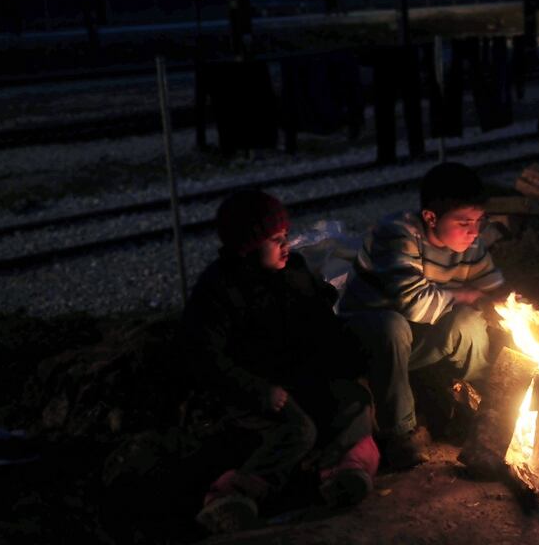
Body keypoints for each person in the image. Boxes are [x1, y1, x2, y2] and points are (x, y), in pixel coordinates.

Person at [180, 189, 379, 534]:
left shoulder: (294, 272)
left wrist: (349, 361)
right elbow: (205, 355)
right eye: (275, 239)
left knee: (356, 403)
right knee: (299, 430)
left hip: (299, 378)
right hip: (255, 388)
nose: (286, 245)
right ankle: (233, 495)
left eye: (285, 236)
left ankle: (342, 474)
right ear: (247, 245)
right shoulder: (219, 289)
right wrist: (258, 390)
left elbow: (322, 325)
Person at [339, 162, 505, 469]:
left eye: (479, 221)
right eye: (464, 222)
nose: (474, 231)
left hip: (414, 339)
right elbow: (413, 304)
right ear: (430, 217)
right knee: (392, 325)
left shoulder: (470, 243)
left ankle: (488, 412)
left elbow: (493, 288)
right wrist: (466, 295)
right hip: (364, 340)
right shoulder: (396, 236)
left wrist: (509, 305)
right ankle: (399, 432)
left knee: (468, 323)